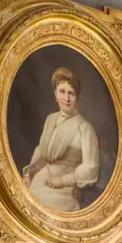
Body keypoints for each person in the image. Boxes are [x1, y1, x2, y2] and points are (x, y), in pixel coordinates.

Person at [22, 67, 100, 212]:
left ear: (78, 97)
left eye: (71, 93)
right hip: (40, 180)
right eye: (62, 92)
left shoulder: (85, 128)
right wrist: (28, 174)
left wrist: (63, 181)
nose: (67, 98)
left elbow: (91, 168)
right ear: (55, 94)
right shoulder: (51, 119)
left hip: (64, 191)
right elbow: (41, 150)